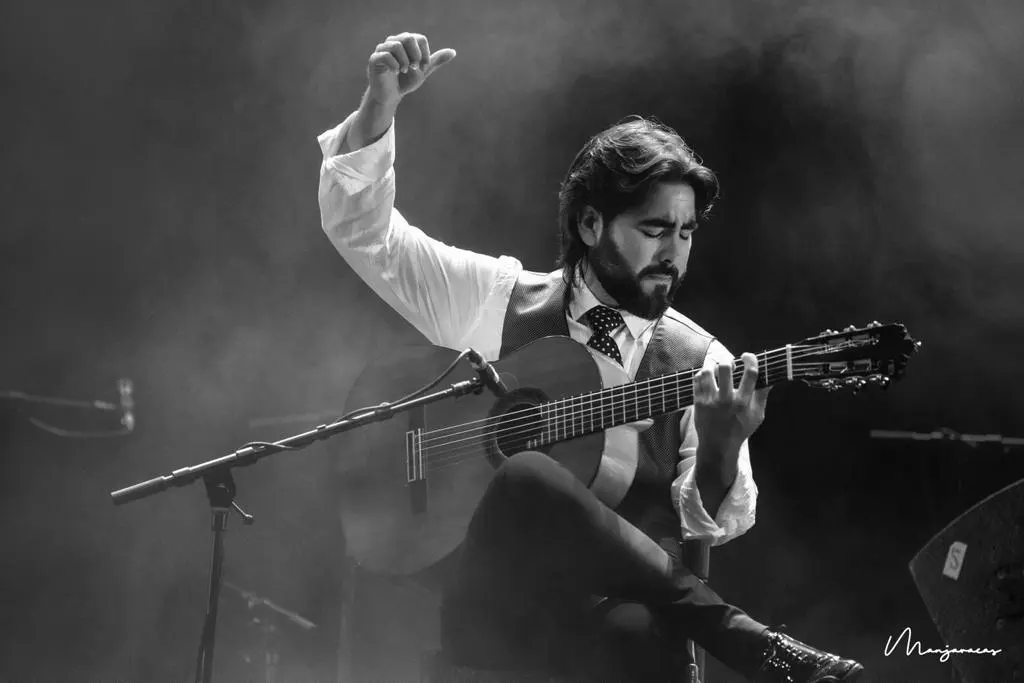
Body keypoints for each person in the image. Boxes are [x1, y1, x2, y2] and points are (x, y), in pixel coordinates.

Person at [317, 31, 864, 683]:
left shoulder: (704, 361)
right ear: (589, 225)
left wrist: (721, 447)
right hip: (496, 613)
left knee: (633, 634)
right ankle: (748, 643)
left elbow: (707, 529)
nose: (674, 253)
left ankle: (743, 643)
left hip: (619, 627)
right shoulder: (498, 299)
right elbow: (368, 237)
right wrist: (378, 108)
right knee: (527, 473)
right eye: (654, 230)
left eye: (686, 232)